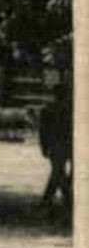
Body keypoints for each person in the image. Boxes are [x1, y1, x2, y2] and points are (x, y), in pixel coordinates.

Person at [39, 83, 72, 211]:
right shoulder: (53, 110)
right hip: (59, 146)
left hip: (56, 146)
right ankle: (64, 199)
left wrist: (43, 147)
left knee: (58, 173)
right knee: (58, 173)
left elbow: (42, 132)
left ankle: (49, 200)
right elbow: (43, 131)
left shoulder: (48, 110)